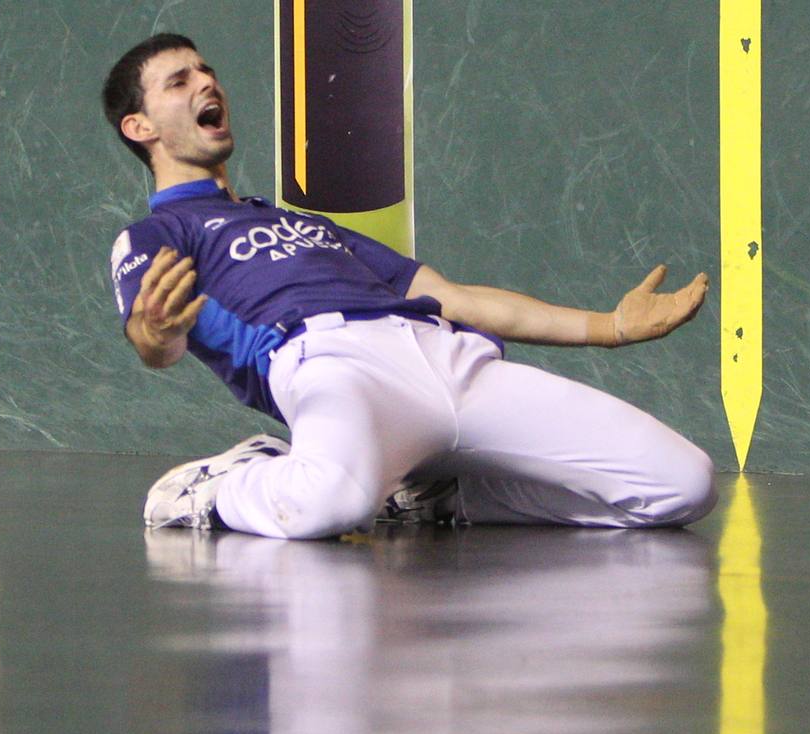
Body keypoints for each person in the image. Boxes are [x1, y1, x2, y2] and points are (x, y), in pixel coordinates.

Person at [102, 33, 716, 540]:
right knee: (327, 507)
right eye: (179, 82)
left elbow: (460, 299)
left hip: (448, 357)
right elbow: (154, 340)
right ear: (139, 126)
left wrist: (609, 327)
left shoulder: (306, 226)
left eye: (206, 71)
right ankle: (218, 489)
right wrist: (155, 333)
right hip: (331, 366)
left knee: (682, 485)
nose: (206, 83)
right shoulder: (159, 232)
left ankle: (436, 497)